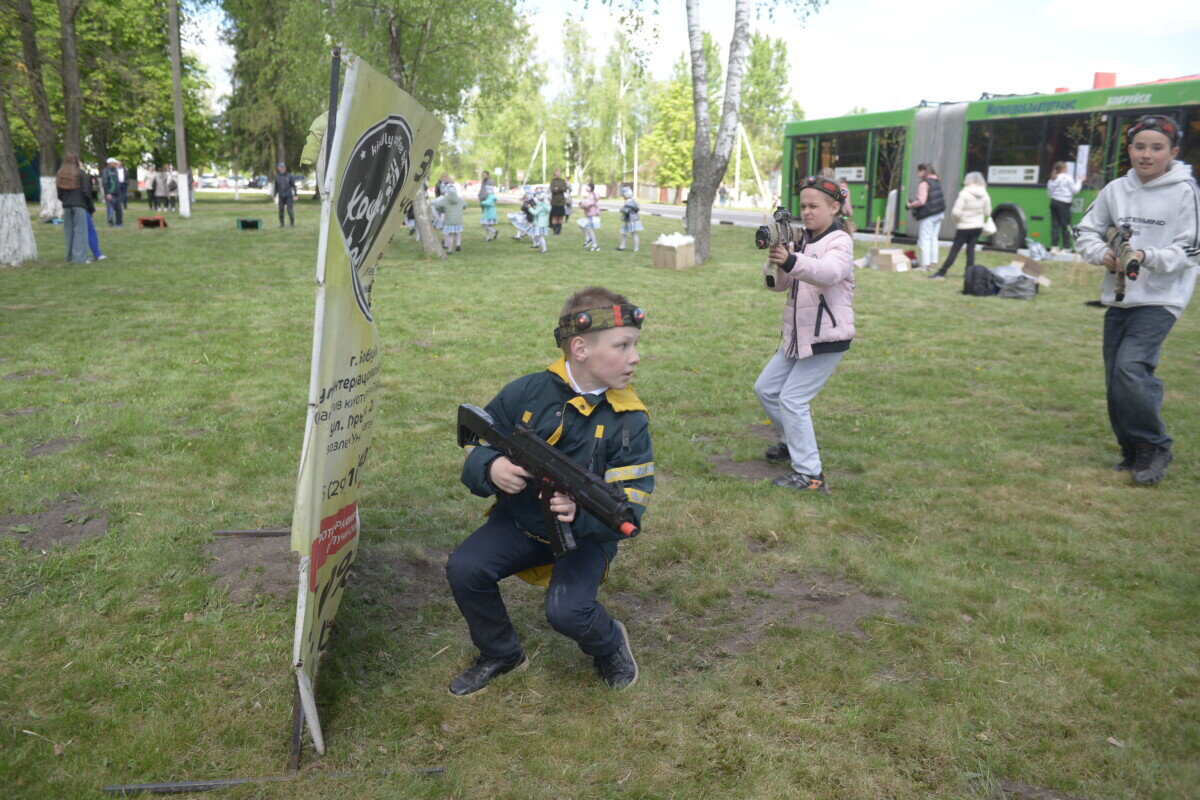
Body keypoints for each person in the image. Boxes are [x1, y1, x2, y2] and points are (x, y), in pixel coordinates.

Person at [445, 286, 653, 696]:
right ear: (580, 349)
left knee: (567, 612)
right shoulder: (527, 392)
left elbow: (632, 498)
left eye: (635, 345)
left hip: (586, 538)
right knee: (465, 569)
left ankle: (609, 643)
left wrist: (583, 513)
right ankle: (501, 652)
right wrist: (492, 466)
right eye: (623, 345)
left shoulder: (629, 419)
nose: (635, 357)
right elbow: (480, 440)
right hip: (520, 522)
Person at [1074, 114, 1199, 486]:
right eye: (1139, 146)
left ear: (1173, 152)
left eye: (1157, 148)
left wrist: (1146, 257)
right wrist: (1103, 254)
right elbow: (1084, 231)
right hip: (1120, 297)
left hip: (1162, 297)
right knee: (1117, 378)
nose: (1147, 154)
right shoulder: (1115, 189)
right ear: (1129, 150)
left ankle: (1154, 447)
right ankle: (1131, 452)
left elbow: (1191, 249)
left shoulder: (1185, 191)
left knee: (1131, 368)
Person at [754, 175, 856, 493]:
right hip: (798, 334)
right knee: (766, 389)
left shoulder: (839, 242)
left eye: (814, 206)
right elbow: (783, 284)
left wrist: (793, 259)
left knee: (792, 399)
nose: (807, 212)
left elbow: (828, 273)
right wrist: (777, 263)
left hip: (826, 336)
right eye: (803, 206)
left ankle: (810, 475)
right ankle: (793, 441)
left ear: (834, 208)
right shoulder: (803, 241)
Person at [929, 171, 991, 280]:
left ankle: (942, 272)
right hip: (977, 226)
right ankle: (969, 274)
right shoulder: (985, 194)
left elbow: (956, 212)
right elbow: (987, 212)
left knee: (955, 250)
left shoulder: (964, 193)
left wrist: (957, 220)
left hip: (964, 227)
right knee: (970, 251)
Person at [906, 163, 946, 269]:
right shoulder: (936, 181)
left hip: (929, 214)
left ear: (923, 171)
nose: (918, 174)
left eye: (918, 171)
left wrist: (910, 205)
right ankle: (933, 262)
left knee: (924, 239)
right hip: (939, 213)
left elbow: (921, 201)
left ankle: (924, 265)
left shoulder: (924, 183)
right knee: (934, 238)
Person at [56, 154, 92, 263]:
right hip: (79, 204)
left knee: (69, 232)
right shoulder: (81, 173)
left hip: (67, 205)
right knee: (80, 231)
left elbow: (59, 193)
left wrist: (65, 200)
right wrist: (90, 206)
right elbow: (86, 191)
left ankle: (70, 256)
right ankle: (80, 258)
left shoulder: (60, 174)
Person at [1047, 162, 1083, 253]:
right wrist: (1080, 181)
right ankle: (1067, 247)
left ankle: (1054, 246)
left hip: (1054, 202)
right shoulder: (1067, 178)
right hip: (1064, 203)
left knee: (1055, 225)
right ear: (1065, 168)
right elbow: (1075, 190)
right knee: (1065, 226)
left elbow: (1049, 193)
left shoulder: (1052, 178)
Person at [434, 183, 466, 252]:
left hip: (449, 221)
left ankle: (449, 250)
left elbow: (437, 206)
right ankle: (458, 244)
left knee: (450, 235)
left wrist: (442, 210)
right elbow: (465, 205)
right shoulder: (459, 200)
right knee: (457, 232)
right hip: (458, 220)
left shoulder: (445, 200)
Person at [616, 187, 642, 252]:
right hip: (631, 220)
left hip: (631, 220)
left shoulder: (629, 203)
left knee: (632, 234)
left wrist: (621, 209)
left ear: (626, 195)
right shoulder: (632, 201)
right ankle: (623, 246)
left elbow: (626, 211)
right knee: (625, 233)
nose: (622, 196)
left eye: (623, 195)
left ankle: (635, 248)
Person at [578, 182, 601, 252]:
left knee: (590, 230)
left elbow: (587, 204)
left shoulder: (591, 196)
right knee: (582, 224)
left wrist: (581, 204)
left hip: (591, 215)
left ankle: (594, 244)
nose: (586, 187)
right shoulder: (591, 195)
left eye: (588, 186)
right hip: (589, 214)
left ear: (591, 188)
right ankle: (589, 240)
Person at [273, 162, 297, 228]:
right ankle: (282, 224)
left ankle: (292, 223)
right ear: (278, 168)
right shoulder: (277, 176)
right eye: (281, 167)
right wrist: (274, 195)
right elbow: (276, 187)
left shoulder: (289, 176)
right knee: (281, 210)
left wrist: (295, 194)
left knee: (290, 210)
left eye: (283, 167)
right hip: (281, 197)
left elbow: (293, 186)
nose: (283, 168)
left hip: (289, 196)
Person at [101, 158, 123, 227]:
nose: (116, 164)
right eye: (114, 163)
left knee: (119, 209)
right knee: (110, 209)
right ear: (110, 163)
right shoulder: (106, 171)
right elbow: (105, 182)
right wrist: (107, 193)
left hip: (117, 193)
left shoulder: (115, 170)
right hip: (110, 193)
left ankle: (119, 223)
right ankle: (111, 223)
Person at [529, 188, 550, 253]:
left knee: (540, 236)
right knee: (539, 236)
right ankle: (542, 247)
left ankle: (544, 249)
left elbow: (535, 213)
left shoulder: (540, 205)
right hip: (543, 223)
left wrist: (529, 208)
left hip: (539, 223)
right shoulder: (546, 205)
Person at [549, 169, 570, 235]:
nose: (558, 173)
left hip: (561, 201)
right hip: (554, 201)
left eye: (559, 172)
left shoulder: (563, 181)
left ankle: (559, 230)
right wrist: (560, 188)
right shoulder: (553, 181)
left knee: (561, 216)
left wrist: (558, 188)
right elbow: (553, 190)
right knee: (554, 216)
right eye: (557, 172)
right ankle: (555, 230)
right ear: (555, 173)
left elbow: (565, 189)